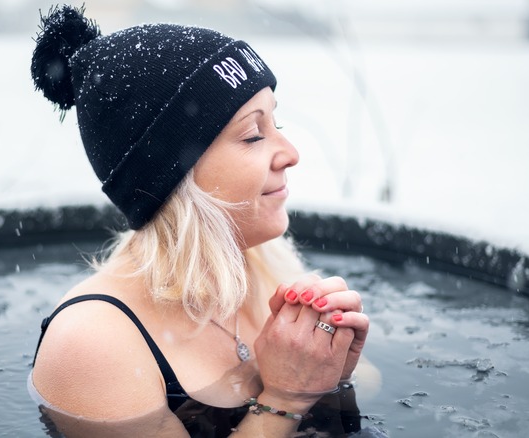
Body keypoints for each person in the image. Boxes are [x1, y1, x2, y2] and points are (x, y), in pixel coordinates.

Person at [28, 5, 371, 437]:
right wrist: (286, 399)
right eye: (253, 134)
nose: (290, 153)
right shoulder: (93, 343)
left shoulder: (261, 266)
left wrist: (330, 373)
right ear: (175, 176)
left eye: (276, 121)